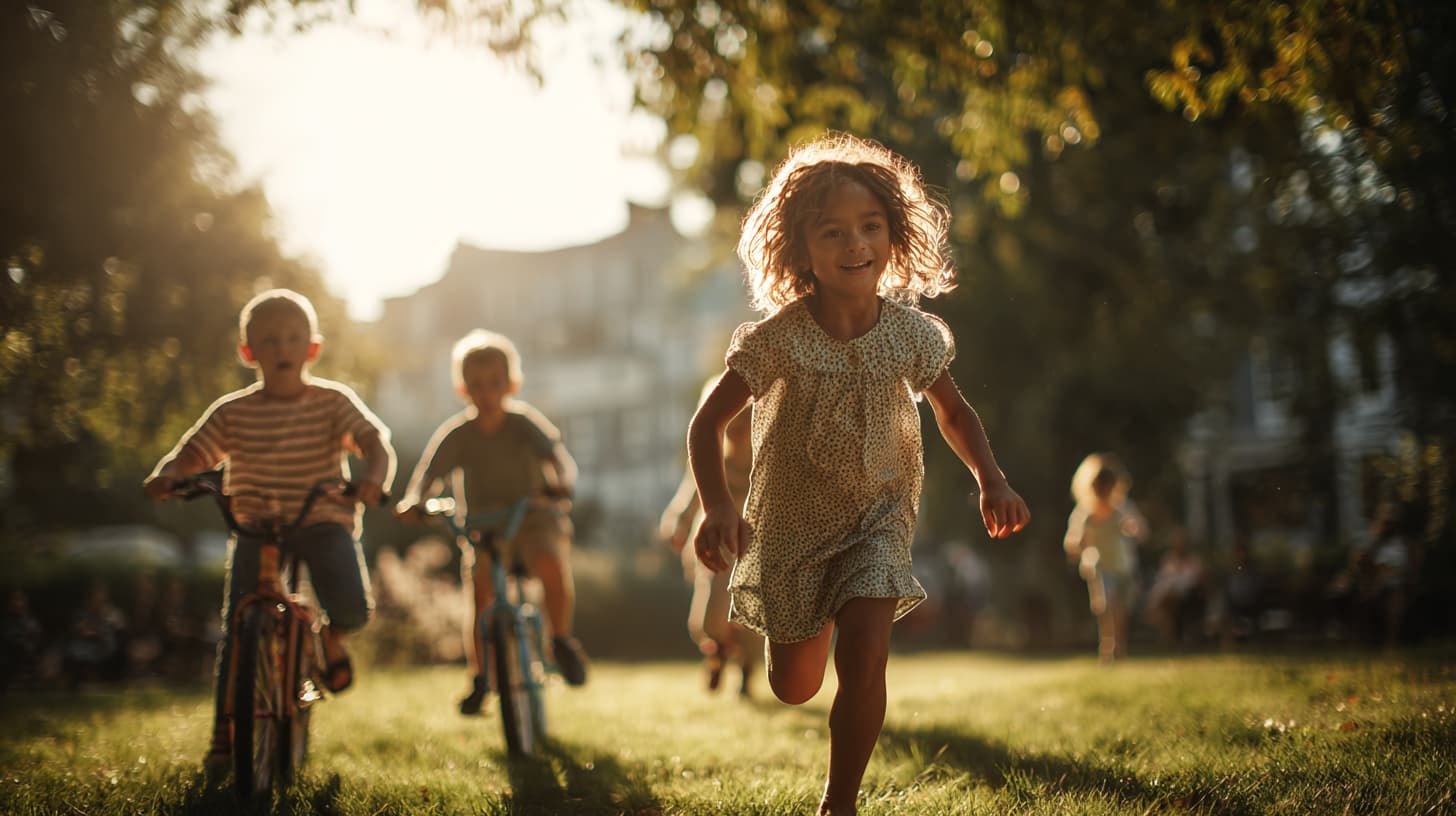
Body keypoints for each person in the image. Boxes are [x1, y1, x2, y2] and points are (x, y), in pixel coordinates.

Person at [687, 132, 1030, 816]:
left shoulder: (910, 334)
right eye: (833, 231)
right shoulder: (778, 339)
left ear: (893, 236)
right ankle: (796, 652)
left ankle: (838, 802)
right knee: (794, 685)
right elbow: (707, 423)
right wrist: (718, 504)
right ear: (801, 249)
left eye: (870, 226)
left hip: (879, 516)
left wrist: (991, 478)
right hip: (790, 527)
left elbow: (953, 412)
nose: (855, 244)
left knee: (868, 650)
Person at [144, 288, 395, 769]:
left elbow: (373, 441)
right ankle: (225, 736)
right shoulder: (233, 411)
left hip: (322, 520)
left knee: (352, 608)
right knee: (240, 627)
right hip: (256, 526)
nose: (282, 348)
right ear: (248, 352)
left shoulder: (332, 402)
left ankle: (331, 640)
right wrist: (169, 476)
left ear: (312, 348)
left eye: (293, 338)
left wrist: (374, 479)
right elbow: (193, 453)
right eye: (270, 340)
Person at [395, 329, 588, 716]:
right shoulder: (458, 435)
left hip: (532, 519)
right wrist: (415, 501)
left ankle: (561, 640)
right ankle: (481, 677)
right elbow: (427, 475)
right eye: (476, 385)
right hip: (485, 529)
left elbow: (558, 460)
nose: (485, 393)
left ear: (511, 384)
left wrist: (561, 486)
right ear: (462, 389)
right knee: (481, 596)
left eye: (495, 383)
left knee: (550, 563)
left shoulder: (523, 424)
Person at [658, 377, 763, 696]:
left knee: (751, 616)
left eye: (743, 425)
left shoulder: (764, 462)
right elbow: (691, 493)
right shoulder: (712, 463)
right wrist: (678, 521)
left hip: (753, 546)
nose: (737, 433)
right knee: (710, 615)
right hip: (718, 544)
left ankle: (745, 668)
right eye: (731, 426)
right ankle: (717, 650)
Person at [1062, 453, 1147, 663]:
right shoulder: (1085, 513)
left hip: (1123, 566)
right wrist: (1077, 548)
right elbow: (1073, 541)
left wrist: (1133, 531)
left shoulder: (1122, 509)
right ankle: (1108, 646)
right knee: (1106, 606)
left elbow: (1140, 531)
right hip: (1100, 566)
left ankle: (1119, 645)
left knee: (1120, 608)